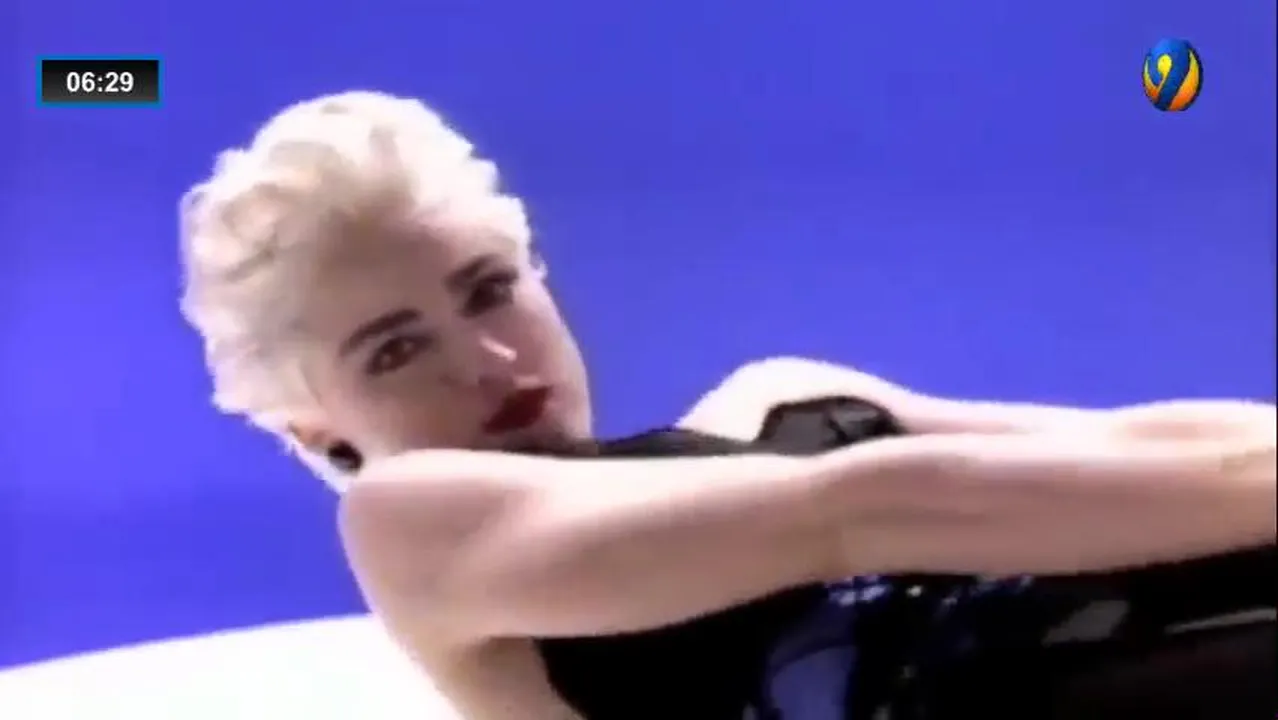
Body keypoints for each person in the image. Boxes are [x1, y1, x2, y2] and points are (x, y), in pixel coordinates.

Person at [178, 91, 1276, 719]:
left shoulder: (779, 398)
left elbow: (1137, 439)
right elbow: (870, 510)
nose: (488, 358)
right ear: (317, 430)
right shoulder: (416, 529)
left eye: (488, 289)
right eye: (397, 349)